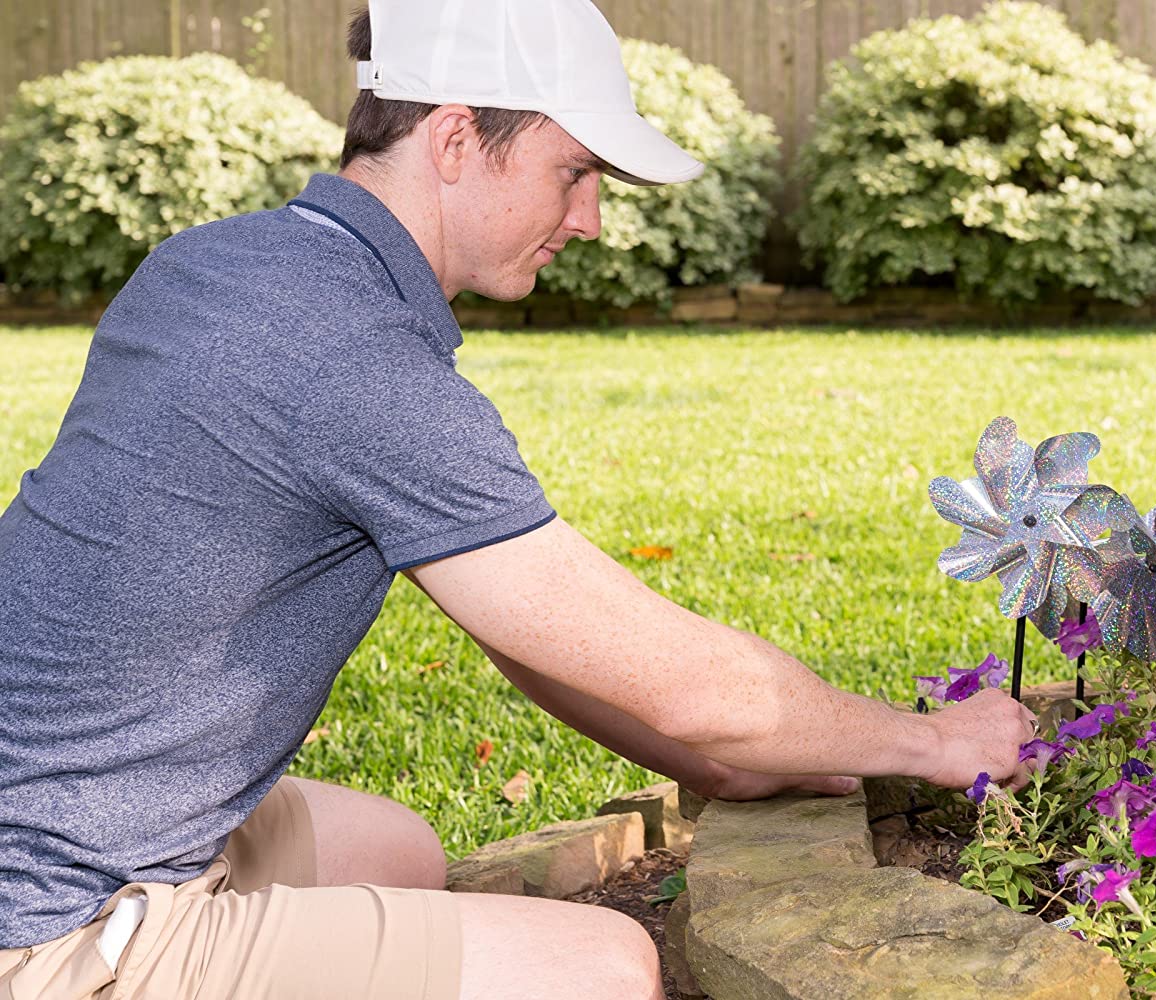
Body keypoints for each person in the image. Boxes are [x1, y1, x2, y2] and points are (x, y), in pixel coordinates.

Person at [0, 1, 1038, 997]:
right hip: (47, 919)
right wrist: (934, 742)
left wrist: (710, 766)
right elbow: (700, 686)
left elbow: (528, 624)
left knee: (398, 851)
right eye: (573, 171)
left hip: (75, 808)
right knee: (602, 970)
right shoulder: (358, 363)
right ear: (454, 138)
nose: (587, 220)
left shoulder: (217, 264)